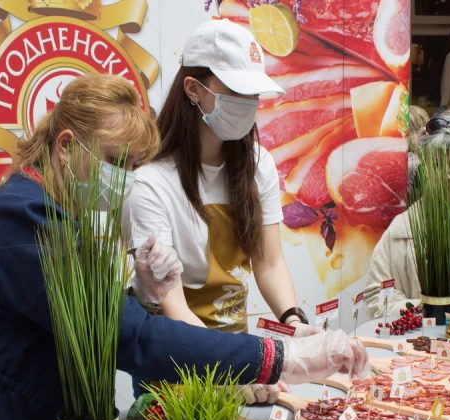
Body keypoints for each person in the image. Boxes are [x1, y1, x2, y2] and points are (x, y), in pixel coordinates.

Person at [0, 74, 370, 420]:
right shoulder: (19, 219)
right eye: (116, 162)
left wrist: (143, 295)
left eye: (133, 167)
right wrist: (280, 357)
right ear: (66, 147)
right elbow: (129, 339)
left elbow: (81, 324)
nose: (125, 180)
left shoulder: (56, 214)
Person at [122, 20, 311, 338]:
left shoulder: (257, 164)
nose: (248, 102)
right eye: (236, 90)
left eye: (253, 92)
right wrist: (244, 361)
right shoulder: (149, 184)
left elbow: (269, 263)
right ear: (193, 89)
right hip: (173, 354)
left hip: (235, 348)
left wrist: (293, 321)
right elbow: (173, 305)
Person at [363, 111, 450, 318]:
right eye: (437, 165)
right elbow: (377, 296)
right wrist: (428, 309)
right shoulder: (403, 228)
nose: (446, 174)